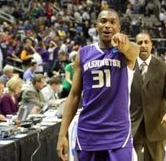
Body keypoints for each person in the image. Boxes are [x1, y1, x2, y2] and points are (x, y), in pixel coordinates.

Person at [57, 9, 139, 161]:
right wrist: (62, 134)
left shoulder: (125, 53)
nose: (107, 25)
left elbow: (134, 51)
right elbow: (74, 95)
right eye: (103, 21)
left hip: (118, 135)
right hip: (88, 134)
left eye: (112, 22)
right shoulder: (83, 54)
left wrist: (124, 45)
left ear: (119, 28)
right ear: (97, 25)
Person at [130, 32, 166, 161]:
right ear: (134, 45)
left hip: (157, 125)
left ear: (151, 45)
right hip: (132, 126)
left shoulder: (164, 67)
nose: (143, 45)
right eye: (140, 42)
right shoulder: (127, 67)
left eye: (146, 42)